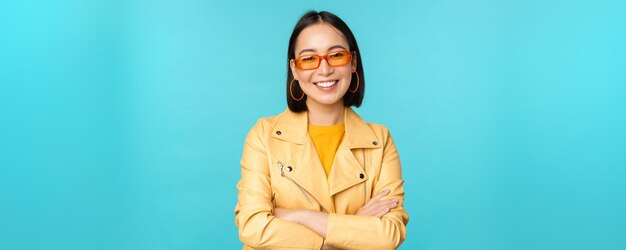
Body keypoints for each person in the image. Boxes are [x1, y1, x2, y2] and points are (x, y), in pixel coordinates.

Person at [234, 10, 408, 250]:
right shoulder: (263, 135)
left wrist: (300, 217)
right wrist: (350, 230)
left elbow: (389, 235)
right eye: (309, 58)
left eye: (336, 55)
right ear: (295, 69)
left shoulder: (379, 140)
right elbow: (253, 226)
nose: (324, 70)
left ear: (353, 62)